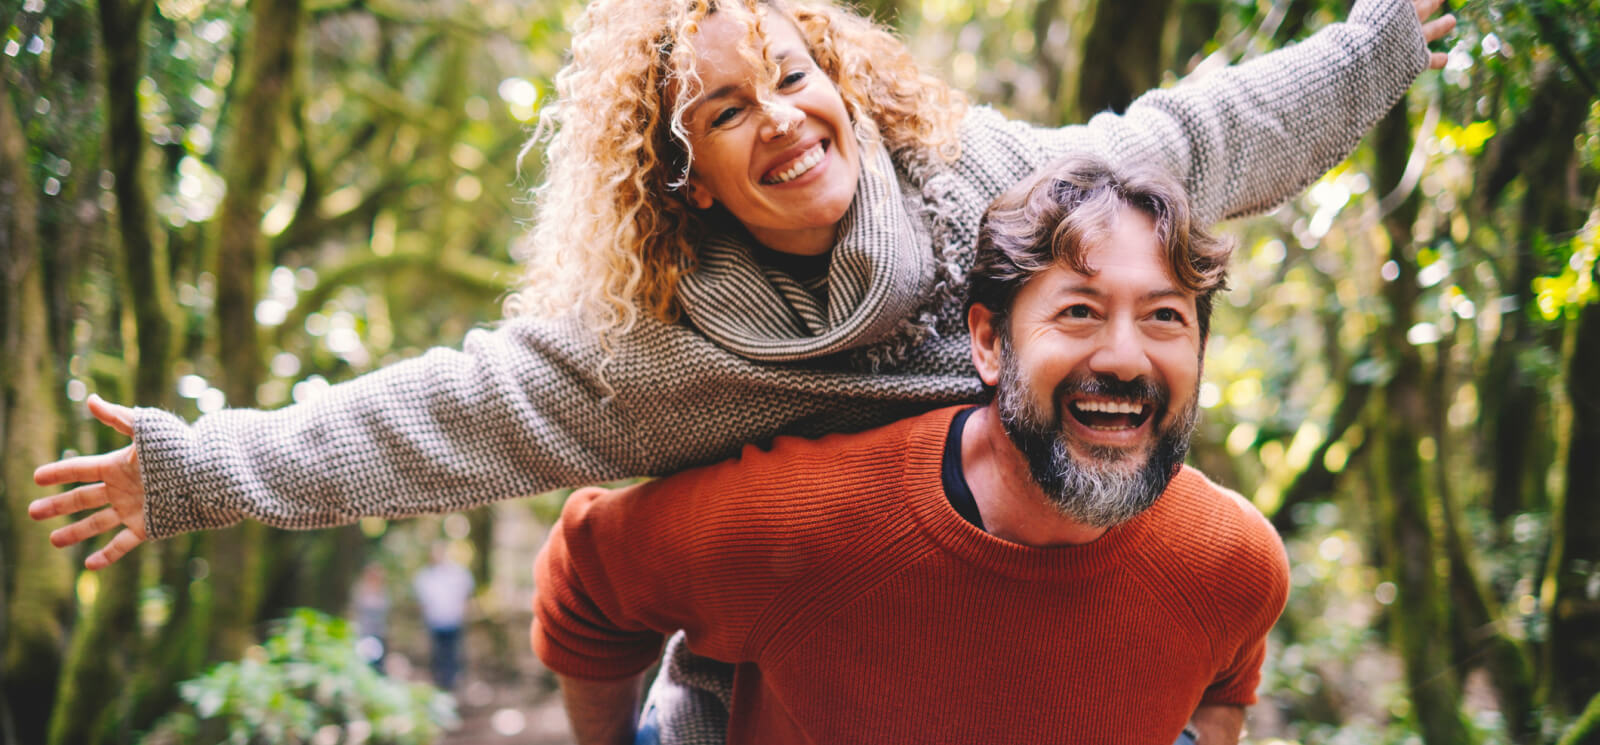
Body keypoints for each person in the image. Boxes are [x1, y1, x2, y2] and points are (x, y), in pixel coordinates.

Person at [28, 0, 1454, 742]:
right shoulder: (653, 352)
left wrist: (1378, 48)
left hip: (1026, 596)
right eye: (724, 109)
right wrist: (196, 468)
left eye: (790, 72)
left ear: (841, 76)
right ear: (685, 177)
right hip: (770, 668)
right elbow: (435, 413)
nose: (781, 118)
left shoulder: (980, 187)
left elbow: (1192, 141)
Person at [534, 154, 1280, 745]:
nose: (1124, 357)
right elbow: (587, 578)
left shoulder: (1233, 562)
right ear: (991, 343)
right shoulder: (809, 523)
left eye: (1164, 318)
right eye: (1079, 311)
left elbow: (1225, 682)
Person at [414, 543, 475, 690]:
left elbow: (467, 591)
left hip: (453, 620)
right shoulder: (425, 577)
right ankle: (440, 683)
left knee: (453, 653)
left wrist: (463, 610)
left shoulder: (458, 573)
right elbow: (422, 601)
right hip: (435, 622)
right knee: (437, 654)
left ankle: (452, 683)